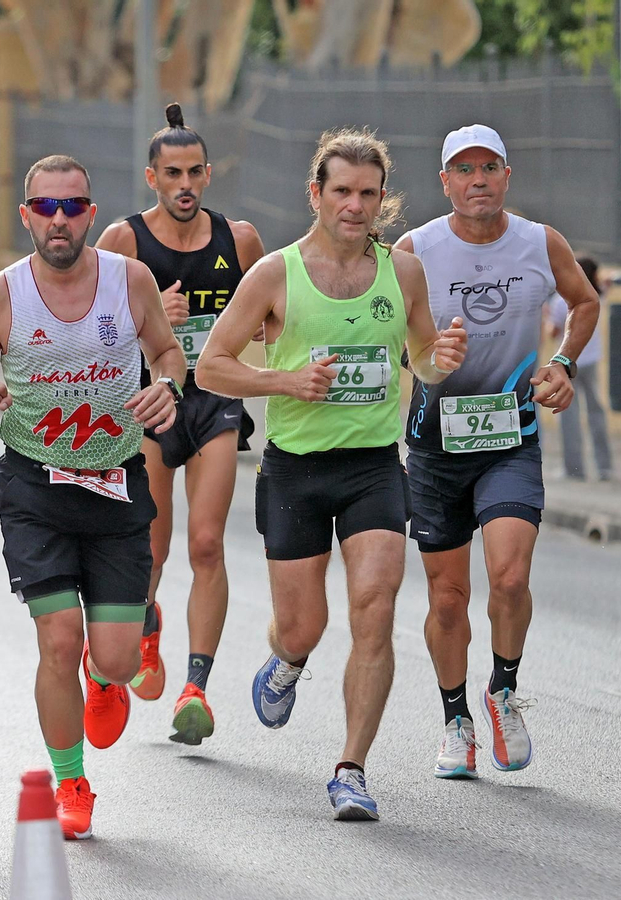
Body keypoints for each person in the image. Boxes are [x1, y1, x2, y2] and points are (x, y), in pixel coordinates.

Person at [195, 129, 468, 821]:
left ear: (383, 200)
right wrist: (286, 379)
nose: (354, 205)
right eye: (341, 191)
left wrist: (443, 358)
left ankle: (351, 769)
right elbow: (211, 366)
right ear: (315, 194)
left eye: (368, 193)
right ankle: (286, 661)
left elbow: (423, 361)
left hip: (374, 465)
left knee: (375, 608)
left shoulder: (402, 274)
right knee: (304, 623)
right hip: (294, 472)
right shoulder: (274, 275)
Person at [0, 154, 183, 840]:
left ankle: (109, 671)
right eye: (45, 207)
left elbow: (168, 354)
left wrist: (168, 387)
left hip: (115, 487)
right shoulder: (1, 294)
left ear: (91, 214)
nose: (59, 220)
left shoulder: (129, 281)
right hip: (34, 488)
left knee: (113, 658)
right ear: (26, 216)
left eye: (72, 207)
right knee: (57, 640)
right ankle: (71, 782)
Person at [393, 124, 599, 778]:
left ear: (507, 176)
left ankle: (502, 691)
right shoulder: (413, 250)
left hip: (511, 438)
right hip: (434, 443)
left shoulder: (540, 243)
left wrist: (562, 362)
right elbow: (389, 337)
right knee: (448, 598)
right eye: (464, 169)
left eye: (489, 168)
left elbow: (585, 302)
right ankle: (456, 719)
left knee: (510, 579)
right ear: (445, 181)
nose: (477, 180)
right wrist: (425, 356)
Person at [94, 102, 265, 746]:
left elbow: (274, 313)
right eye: (173, 174)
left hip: (214, 402)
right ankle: (146, 622)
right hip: (149, 405)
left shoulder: (239, 240)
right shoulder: (123, 242)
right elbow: (93, 337)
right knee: (153, 547)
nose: (185, 185)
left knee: (206, 544)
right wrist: (149, 327)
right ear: (152, 178)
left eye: (195, 172)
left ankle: (196, 688)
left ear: (209, 174)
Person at [545, 257, 611, 481]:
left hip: (567, 362)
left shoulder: (558, 302)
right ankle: (605, 468)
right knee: (596, 414)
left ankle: (574, 469)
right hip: (591, 361)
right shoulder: (597, 295)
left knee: (568, 417)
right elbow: (607, 284)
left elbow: (553, 333)